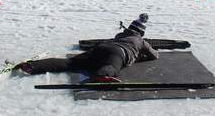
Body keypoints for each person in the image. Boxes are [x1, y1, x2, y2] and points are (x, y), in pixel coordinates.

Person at [19, 14, 159, 81]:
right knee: (112, 67)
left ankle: (33, 66)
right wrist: (139, 55)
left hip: (101, 48)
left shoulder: (119, 34)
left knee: (70, 63)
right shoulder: (141, 40)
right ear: (142, 33)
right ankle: (102, 76)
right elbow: (154, 55)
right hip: (118, 53)